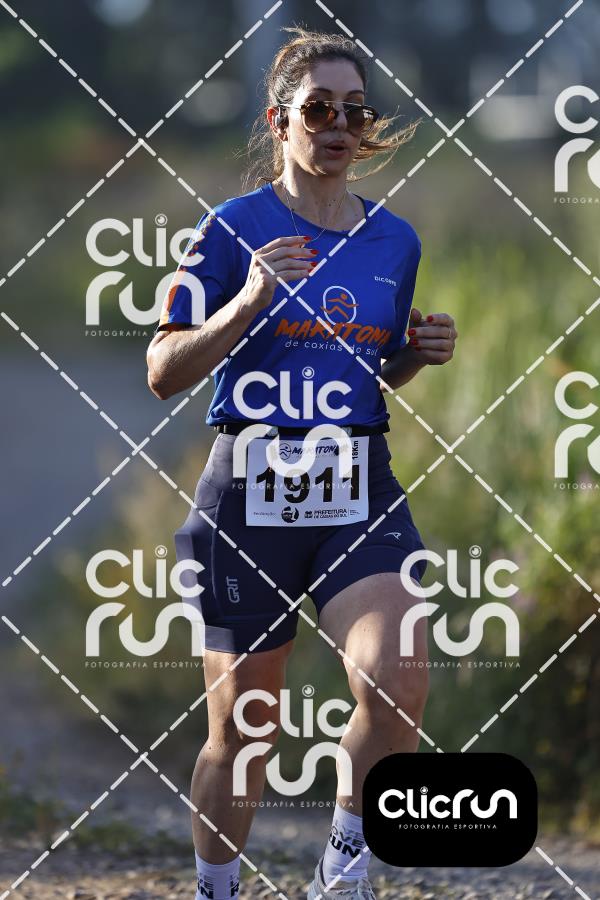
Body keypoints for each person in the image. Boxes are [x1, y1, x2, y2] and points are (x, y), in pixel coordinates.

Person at [146, 25, 457, 900]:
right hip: (248, 494)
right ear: (279, 122)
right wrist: (249, 298)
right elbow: (163, 370)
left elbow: (371, 368)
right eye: (319, 109)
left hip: (357, 482)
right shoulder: (229, 229)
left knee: (398, 684)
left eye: (355, 111)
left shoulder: (395, 241)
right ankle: (216, 889)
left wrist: (414, 355)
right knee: (247, 733)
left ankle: (341, 874)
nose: (340, 126)